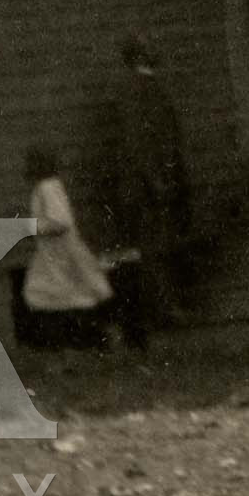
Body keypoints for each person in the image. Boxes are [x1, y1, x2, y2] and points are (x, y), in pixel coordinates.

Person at [94, 33, 193, 329]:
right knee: (153, 249)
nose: (155, 50)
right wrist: (156, 181)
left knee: (160, 247)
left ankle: (165, 309)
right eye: (148, 47)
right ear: (138, 56)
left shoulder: (149, 86)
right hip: (146, 187)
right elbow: (138, 141)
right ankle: (163, 312)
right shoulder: (135, 89)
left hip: (160, 183)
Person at [16, 143, 119, 354]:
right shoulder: (46, 187)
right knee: (59, 295)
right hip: (52, 252)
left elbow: (61, 222)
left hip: (61, 252)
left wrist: (29, 227)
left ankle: (96, 338)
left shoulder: (47, 187)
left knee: (64, 294)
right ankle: (74, 343)